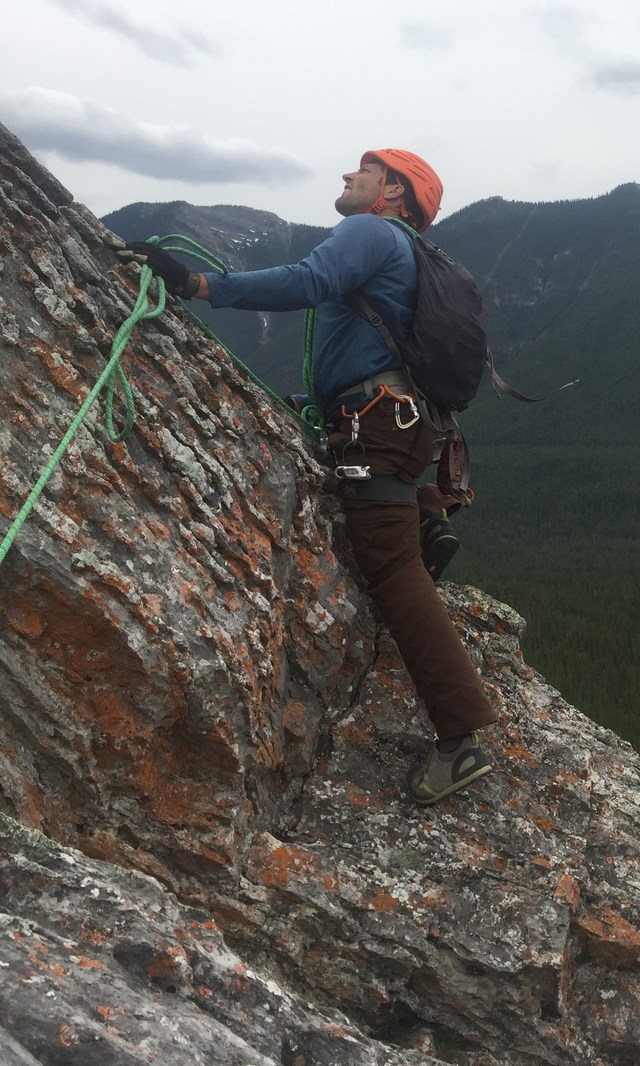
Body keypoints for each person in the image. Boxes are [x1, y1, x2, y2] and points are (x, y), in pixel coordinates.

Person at [112, 150, 499, 805]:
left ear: (395, 194)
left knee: (392, 572)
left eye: (365, 171)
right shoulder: (401, 250)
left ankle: (460, 739)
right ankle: (425, 516)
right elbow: (363, 347)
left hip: (377, 425)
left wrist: (197, 285)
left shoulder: (371, 232)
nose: (348, 177)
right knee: (395, 538)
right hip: (399, 423)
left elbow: (304, 282)